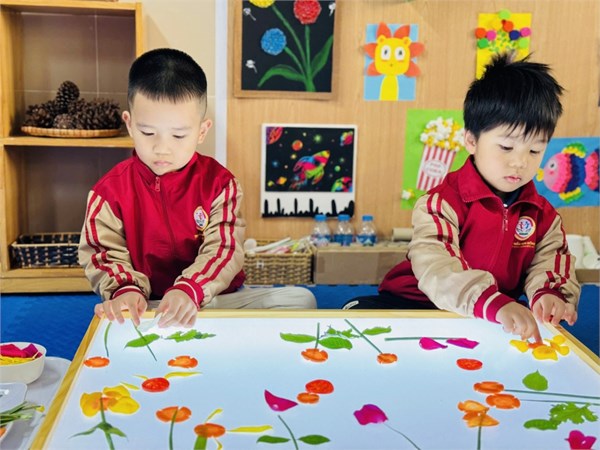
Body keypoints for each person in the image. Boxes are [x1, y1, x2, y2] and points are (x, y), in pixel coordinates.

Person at [343, 52, 580, 343]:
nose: (520, 162)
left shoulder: (544, 216)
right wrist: (490, 301)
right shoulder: (440, 203)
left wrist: (551, 294)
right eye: (506, 147)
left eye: (534, 151)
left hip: (490, 312)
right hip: (419, 303)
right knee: (356, 315)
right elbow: (437, 266)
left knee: (531, 331)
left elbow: (553, 261)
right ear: (471, 140)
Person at [79, 48, 316, 328]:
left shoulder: (220, 183)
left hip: (210, 300)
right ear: (129, 125)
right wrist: (124, 290)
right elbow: (102, 253)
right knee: (113, 318)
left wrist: (189, 289)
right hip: (149, 305)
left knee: (301, 300)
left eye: (179, 135)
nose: (162, 148)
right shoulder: (108, 192)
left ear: (202, 131)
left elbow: (224, 248)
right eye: (148, 132)